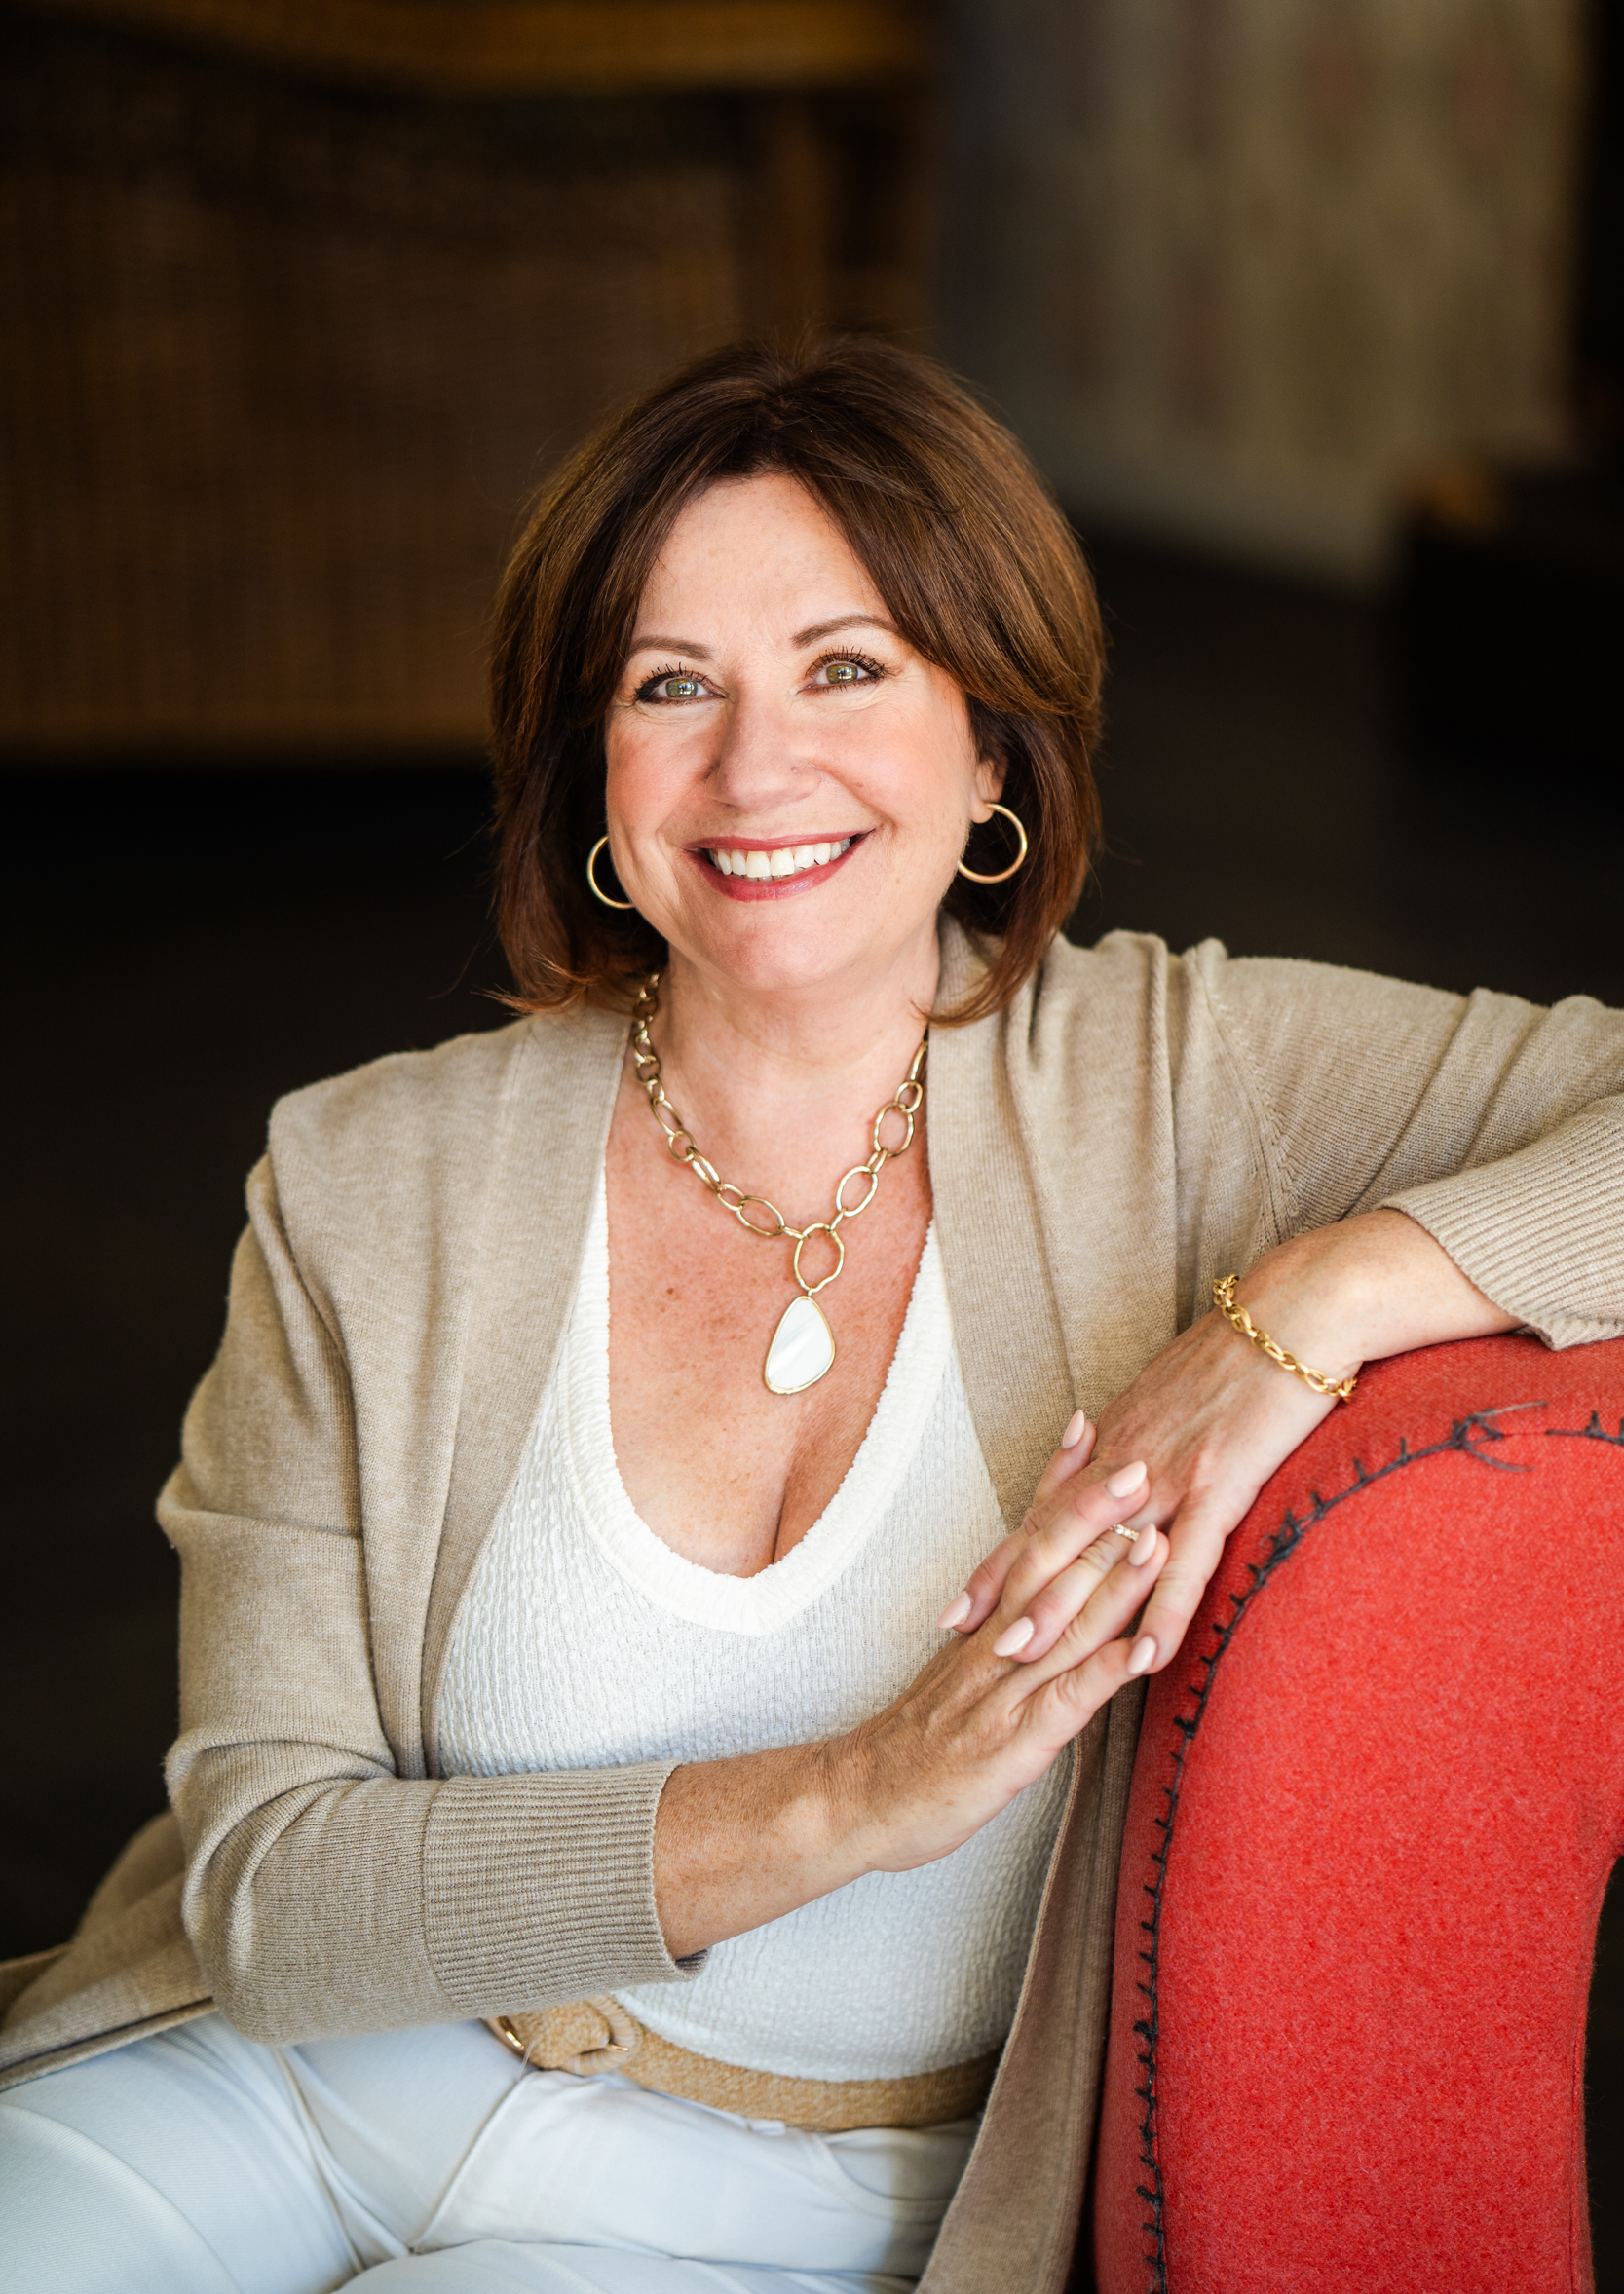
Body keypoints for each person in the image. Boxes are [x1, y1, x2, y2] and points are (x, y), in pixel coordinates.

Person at [3, 335, 1621, 2294]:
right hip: (292, 2081)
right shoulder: (368, 1178)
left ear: (993, 744)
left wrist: (1318, 1294)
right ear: (592, 777)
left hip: (782, 2205)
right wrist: (857, 1795)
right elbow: (273, 1901)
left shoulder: (1195, 1086)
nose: (756, 769)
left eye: (846, 667)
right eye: (670, 685)